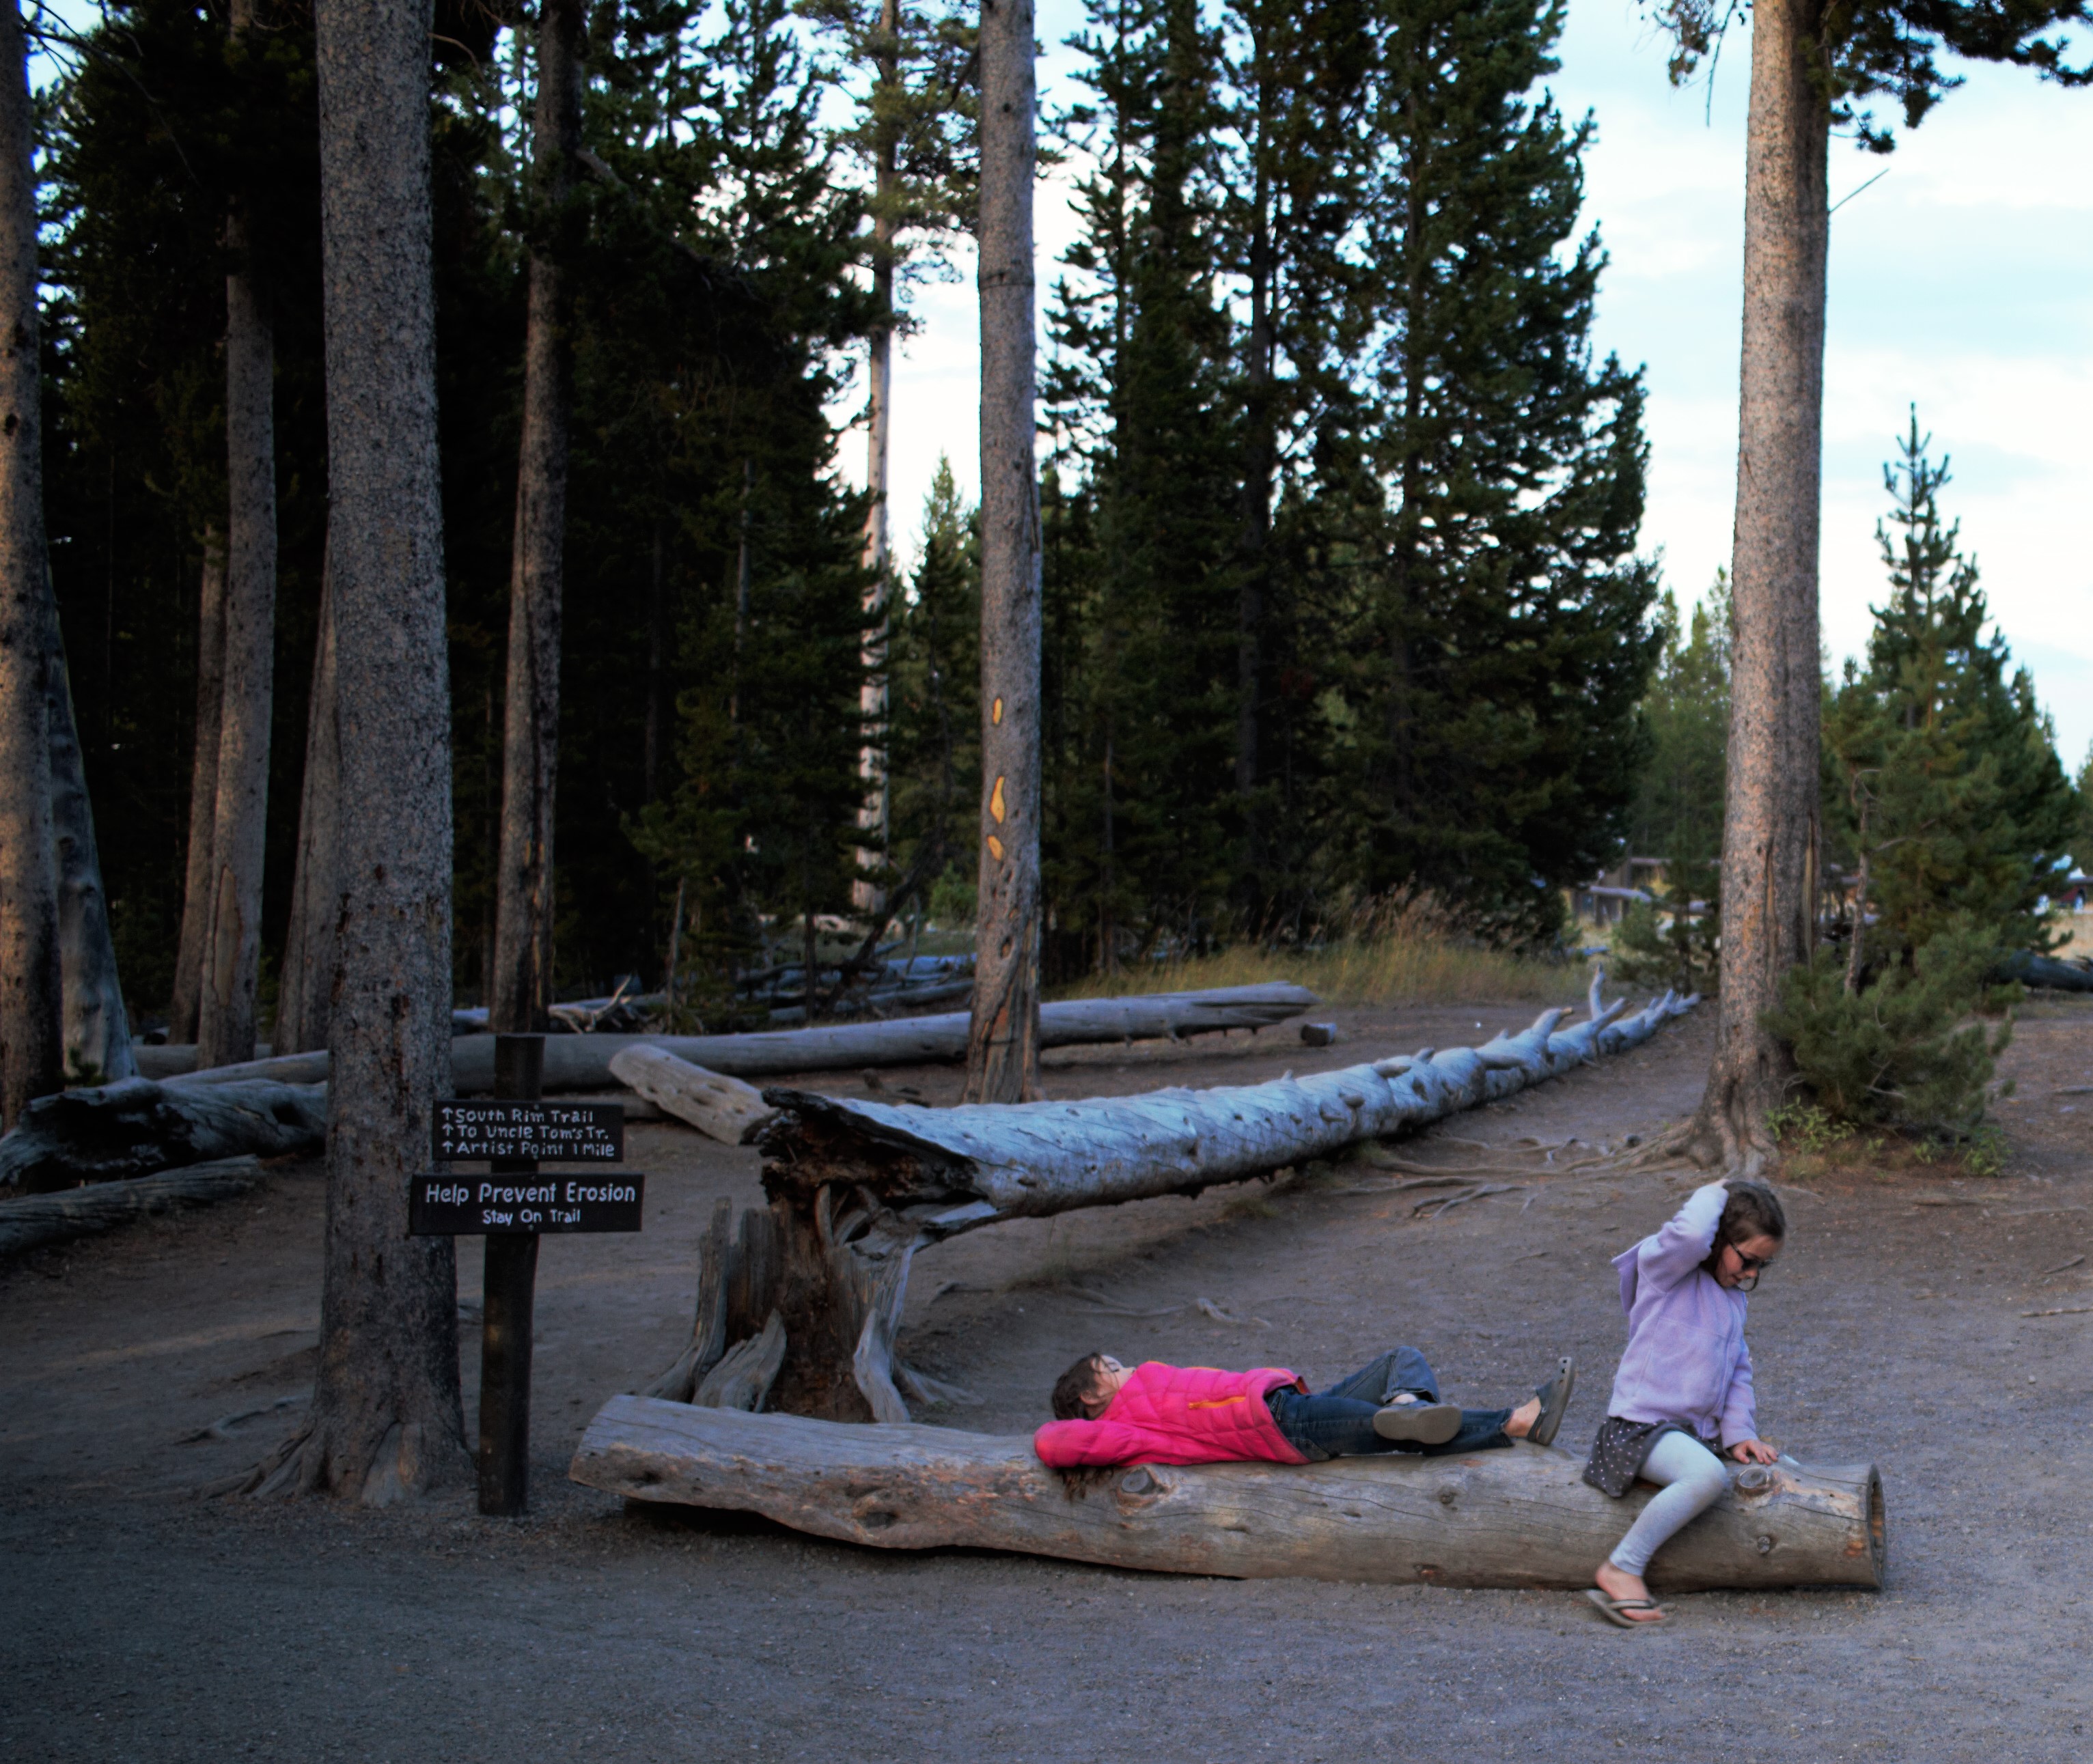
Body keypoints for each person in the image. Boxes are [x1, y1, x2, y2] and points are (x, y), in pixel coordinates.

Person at [1583, 1179, 1787, 1629]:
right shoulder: (1665, 1271)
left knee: (1777, 1469)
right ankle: (1622, 1566)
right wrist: (1718, 1189)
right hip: (1636, 1428)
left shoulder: (1732, 1299)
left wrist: (1740, 1432)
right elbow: (1692, 1234)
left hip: (1691, 1435)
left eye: (1762, 1266)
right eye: (1747, 1259)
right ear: (1717, 1237)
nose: (1751, 1273)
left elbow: (1738, 1368)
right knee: (1707, 1475)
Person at [1034, 1343, 1575, 1469]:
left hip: (1290, 1403)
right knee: (1390, 1432)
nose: (1121, 1364)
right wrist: (1072, 1422)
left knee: (1400, 1360)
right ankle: (1517, 1420)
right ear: (1090, 1392)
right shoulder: (1125, 1426)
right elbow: (1054, 1442)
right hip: (1280, 1428)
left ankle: (1408, 1403)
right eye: (1109, 1364)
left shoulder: (1138, 1398)